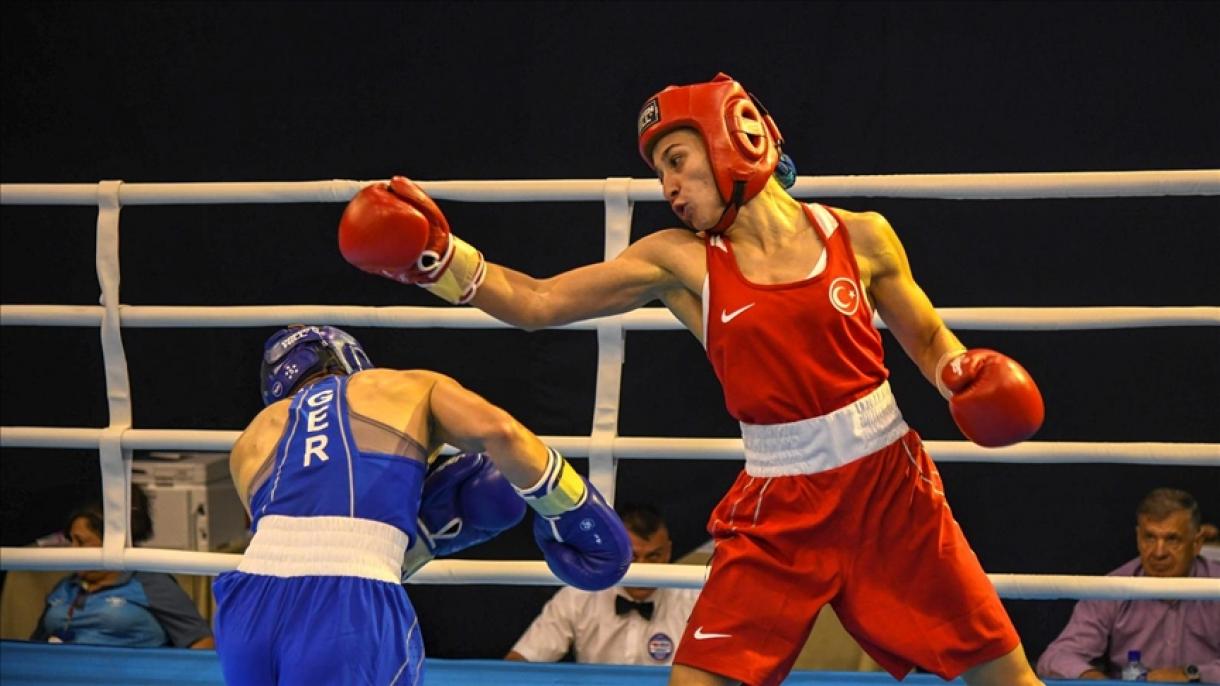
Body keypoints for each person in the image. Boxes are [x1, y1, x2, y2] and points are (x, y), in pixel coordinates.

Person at [337, 72, 1046, 686]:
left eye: (677, 160)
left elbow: (923, 336)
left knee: (999, 669)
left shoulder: (860, 236)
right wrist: (436, 258)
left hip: (891, 489)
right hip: (780, 507)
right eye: (660, 174)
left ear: (735, 138)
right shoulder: (682, 262)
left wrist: (960, 373)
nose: (669, 186)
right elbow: (538, 302)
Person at [211, 324, 631, 686]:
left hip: (247, 606)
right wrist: (572, 509)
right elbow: (501, 434)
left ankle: (414, 543)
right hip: (348, 602)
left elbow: (307, 531)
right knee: (493, 488)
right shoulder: (406, 386)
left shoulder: (250, 440)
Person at [1036, 488, 1220, 683]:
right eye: (1149, 537)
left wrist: (1191, 674)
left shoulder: (1216, 585)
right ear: (1138, 537)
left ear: (1197, 543)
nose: (1158, 552)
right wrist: (1094, 680)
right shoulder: (1113, 588)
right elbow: (1055, 658)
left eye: (1172, 539)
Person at [506, 503, 700, 665]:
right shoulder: (579, 594)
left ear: (668, 552)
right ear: (617, 551)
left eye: (653, 556)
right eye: (632, 557)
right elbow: (522, 659)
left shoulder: (694, 601)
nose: (643, 569)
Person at [29, 485, 214, 649]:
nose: (73, 550)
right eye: (71, 541)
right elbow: (34, 648)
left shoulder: (152, 584)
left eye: (81, 542)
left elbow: (201, 642)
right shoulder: (65, 587)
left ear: (111, 543)